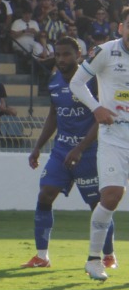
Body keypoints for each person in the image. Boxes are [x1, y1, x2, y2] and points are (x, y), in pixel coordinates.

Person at [27, 37, 114, 269]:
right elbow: (54, 115)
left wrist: (81, 147)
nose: (61, 59)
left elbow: (101, 117)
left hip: (90, 151)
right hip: (61, 150)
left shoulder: (92, 81)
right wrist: (37, 147)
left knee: (99, 205)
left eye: (66, 54)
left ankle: (108, 255)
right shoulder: (54, 81)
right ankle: (42, 256)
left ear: (78, 54)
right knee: (45, 194)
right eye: (58, 55)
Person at [69, 13, 129, 279]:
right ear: (121, 27)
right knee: (112, 196)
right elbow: (76, 83)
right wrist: (96, 108)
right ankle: (95, 259)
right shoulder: (106, 51)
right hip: (113, 135)